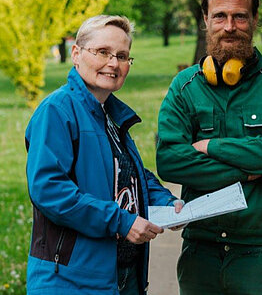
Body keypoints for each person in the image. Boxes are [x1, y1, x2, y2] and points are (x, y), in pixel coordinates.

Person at [156, 0, 262, 295]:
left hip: (260, 253)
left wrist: (209, 145)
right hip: (200, 252)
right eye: (220, 16)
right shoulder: (184, 87)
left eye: (239, 16)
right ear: (205, 19)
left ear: (255, 19)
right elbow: (169, 161)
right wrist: (255, 165)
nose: (229, 26)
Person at [25, 15, 183, 295]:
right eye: (103, 52)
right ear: (76, 54)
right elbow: (49, 190)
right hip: (71, 282)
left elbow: (129, 174)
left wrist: (164, 202)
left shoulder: (110, 113)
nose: (113, 63)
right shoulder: (57, 111)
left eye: (122, 56)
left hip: (122, 277)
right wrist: (121, 221)